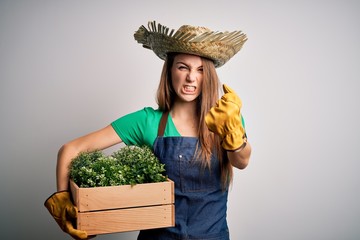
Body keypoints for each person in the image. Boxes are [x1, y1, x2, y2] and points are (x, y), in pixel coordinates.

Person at [44, 21, 251, 240]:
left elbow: (241, 161)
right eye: (183, 67)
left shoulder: (226, 119)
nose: (191, 77)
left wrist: (234, 136)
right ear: (170, 70)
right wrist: (63, 199)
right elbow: (70, 149)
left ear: (208, 76)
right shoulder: (146, 121)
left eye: (200, 70)